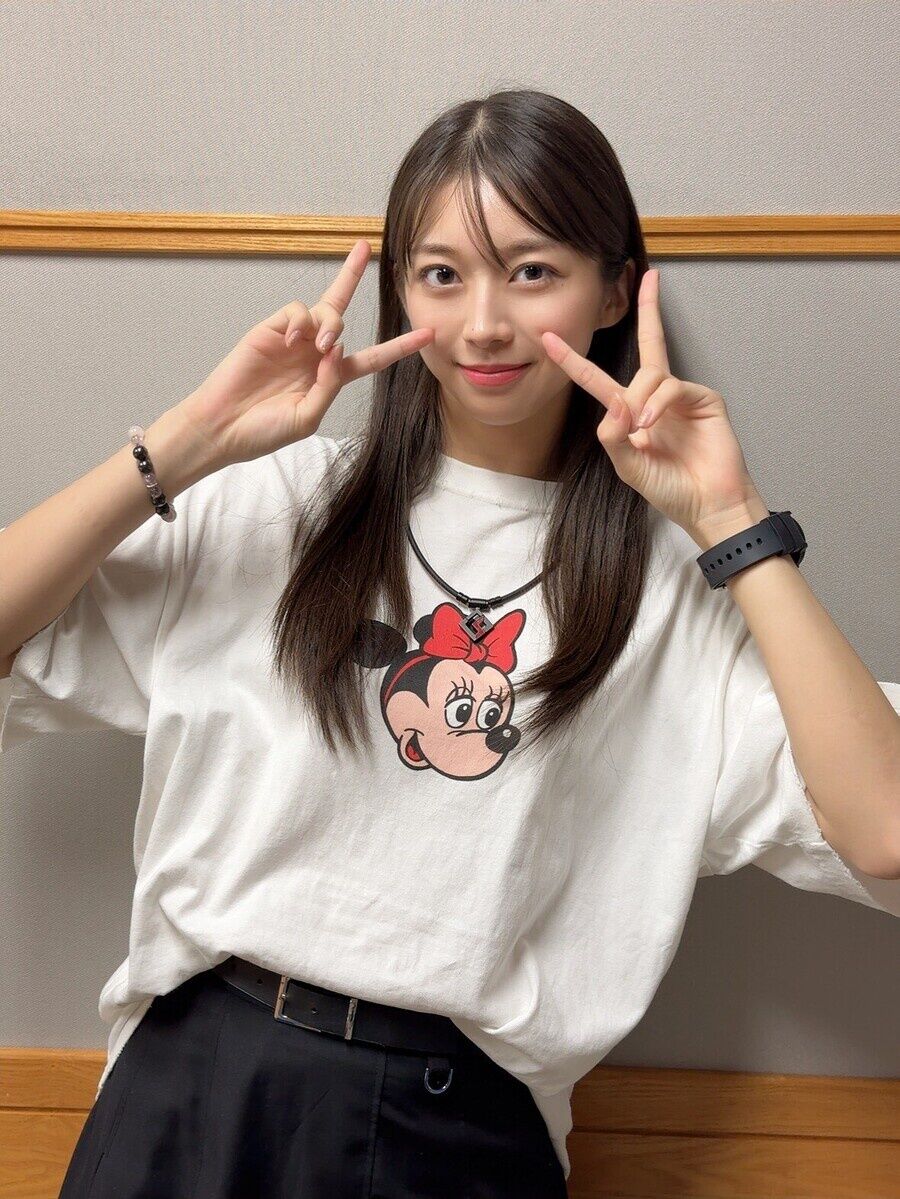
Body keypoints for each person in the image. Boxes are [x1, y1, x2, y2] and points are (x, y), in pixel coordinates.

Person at [1, 88, 898, 1198]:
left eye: (531, 270)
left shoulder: (681, 587)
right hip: (191, 1089)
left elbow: (885, 831)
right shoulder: (276, 500)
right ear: (399, 290)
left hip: (458, 1132)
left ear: (615, 288)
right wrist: (187, 442)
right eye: (440, 273)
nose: (483, 323)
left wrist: (731, 521)